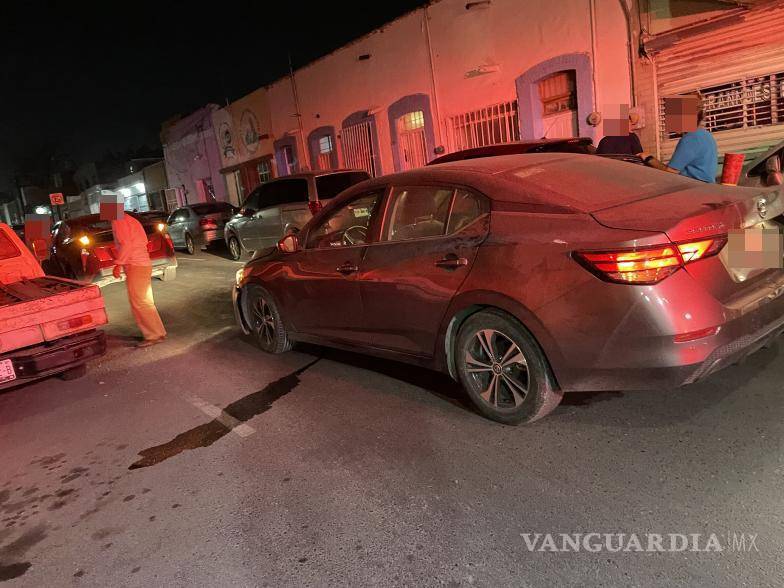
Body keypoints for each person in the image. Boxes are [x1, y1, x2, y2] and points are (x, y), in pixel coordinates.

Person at [101, 198, 167, 347]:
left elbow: (127, 244)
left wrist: (118, 264)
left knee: (140, 302)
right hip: (142, 263)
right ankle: (157, 332)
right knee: (144, 301)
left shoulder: (119, 220)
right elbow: (140, 242)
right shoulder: (130, 219)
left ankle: (153, 335)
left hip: (135, 264)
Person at [640, 94, 718, 183]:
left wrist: (648, 158)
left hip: (695, 190)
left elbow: (671, 172)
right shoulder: (705, 135)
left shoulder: (690, 138)